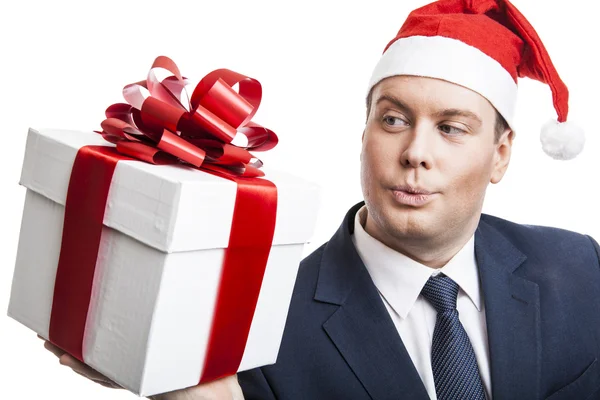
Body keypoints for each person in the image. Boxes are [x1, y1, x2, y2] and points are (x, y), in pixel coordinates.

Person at [42, 0, 600, 399]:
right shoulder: (258, 329)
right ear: (364, 134)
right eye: (393, 119)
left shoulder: (580, 270)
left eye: (452, 128)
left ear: (501, 154)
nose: (414, 153)